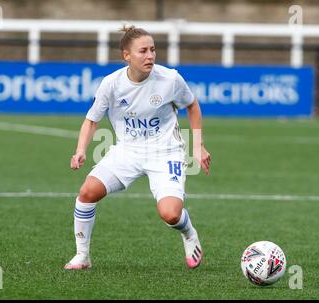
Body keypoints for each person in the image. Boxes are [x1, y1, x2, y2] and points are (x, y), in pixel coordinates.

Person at [64, 26, 211, 270]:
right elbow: (92, 119)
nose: (150, 56)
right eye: (143, 51)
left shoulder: (170, 79)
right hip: (127, 151)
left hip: (166, 153)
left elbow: (192, 105)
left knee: (170, 214)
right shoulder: (111, 84)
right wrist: (80, 150)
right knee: (87, 192)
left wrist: (199, 146)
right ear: (126, 56)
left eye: (153, 50)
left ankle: (188, 232)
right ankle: (82, 256)